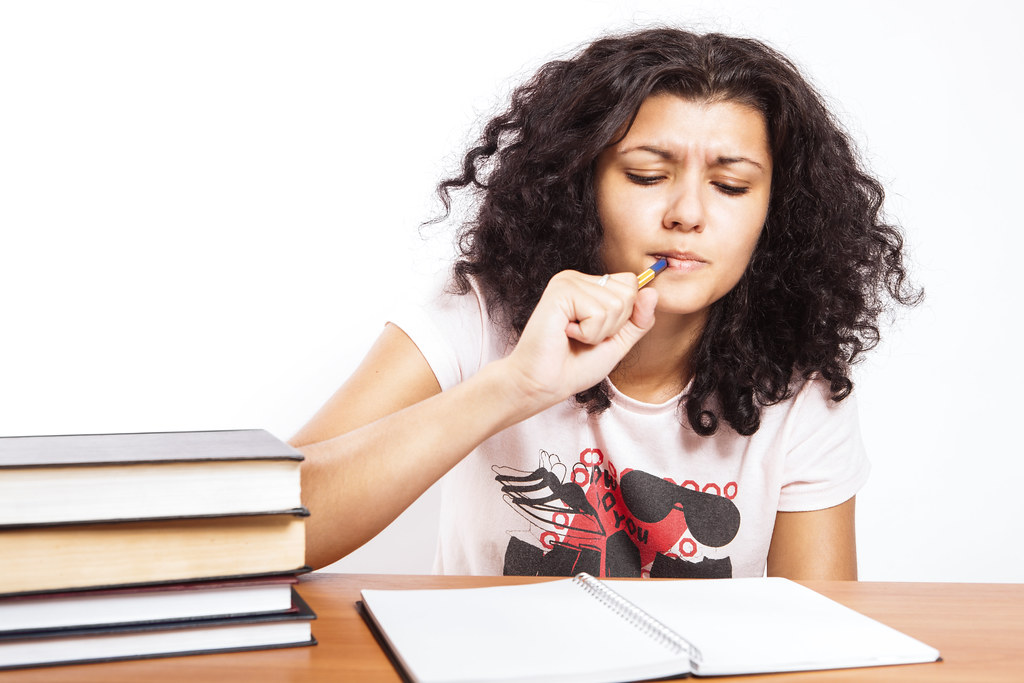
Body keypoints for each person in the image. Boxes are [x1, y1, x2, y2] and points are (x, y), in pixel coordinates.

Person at [290, 27, 919, 580]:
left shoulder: (799, 389)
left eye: (730, 186)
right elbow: (273, 527)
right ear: (578, 185)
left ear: (774, 215)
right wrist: (514, 386)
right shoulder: (478, 319)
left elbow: (821, 639)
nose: (687, 215)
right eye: (647, 176)